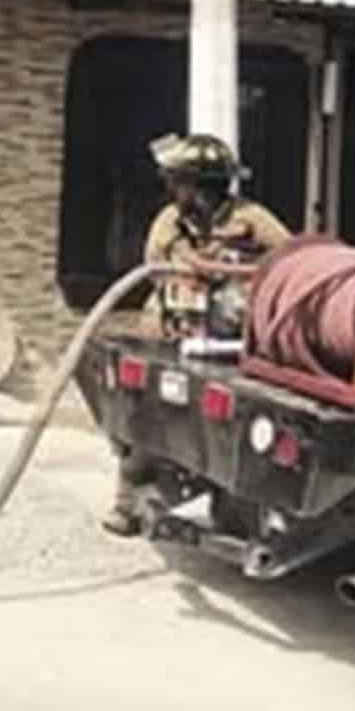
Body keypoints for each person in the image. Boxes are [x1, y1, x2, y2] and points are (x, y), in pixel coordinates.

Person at [94, 132, 290, 537]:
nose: (174, 190)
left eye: (180, 182)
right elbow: (153, 266)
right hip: (167, 334)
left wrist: (235, 271)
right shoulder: (169, 222)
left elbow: (288, 257)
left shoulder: (251, 219)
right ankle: (127, 505)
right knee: (141, 422)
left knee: (223, 432)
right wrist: (186, 275)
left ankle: (232, 512)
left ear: (204, 186)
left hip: (227, 345)